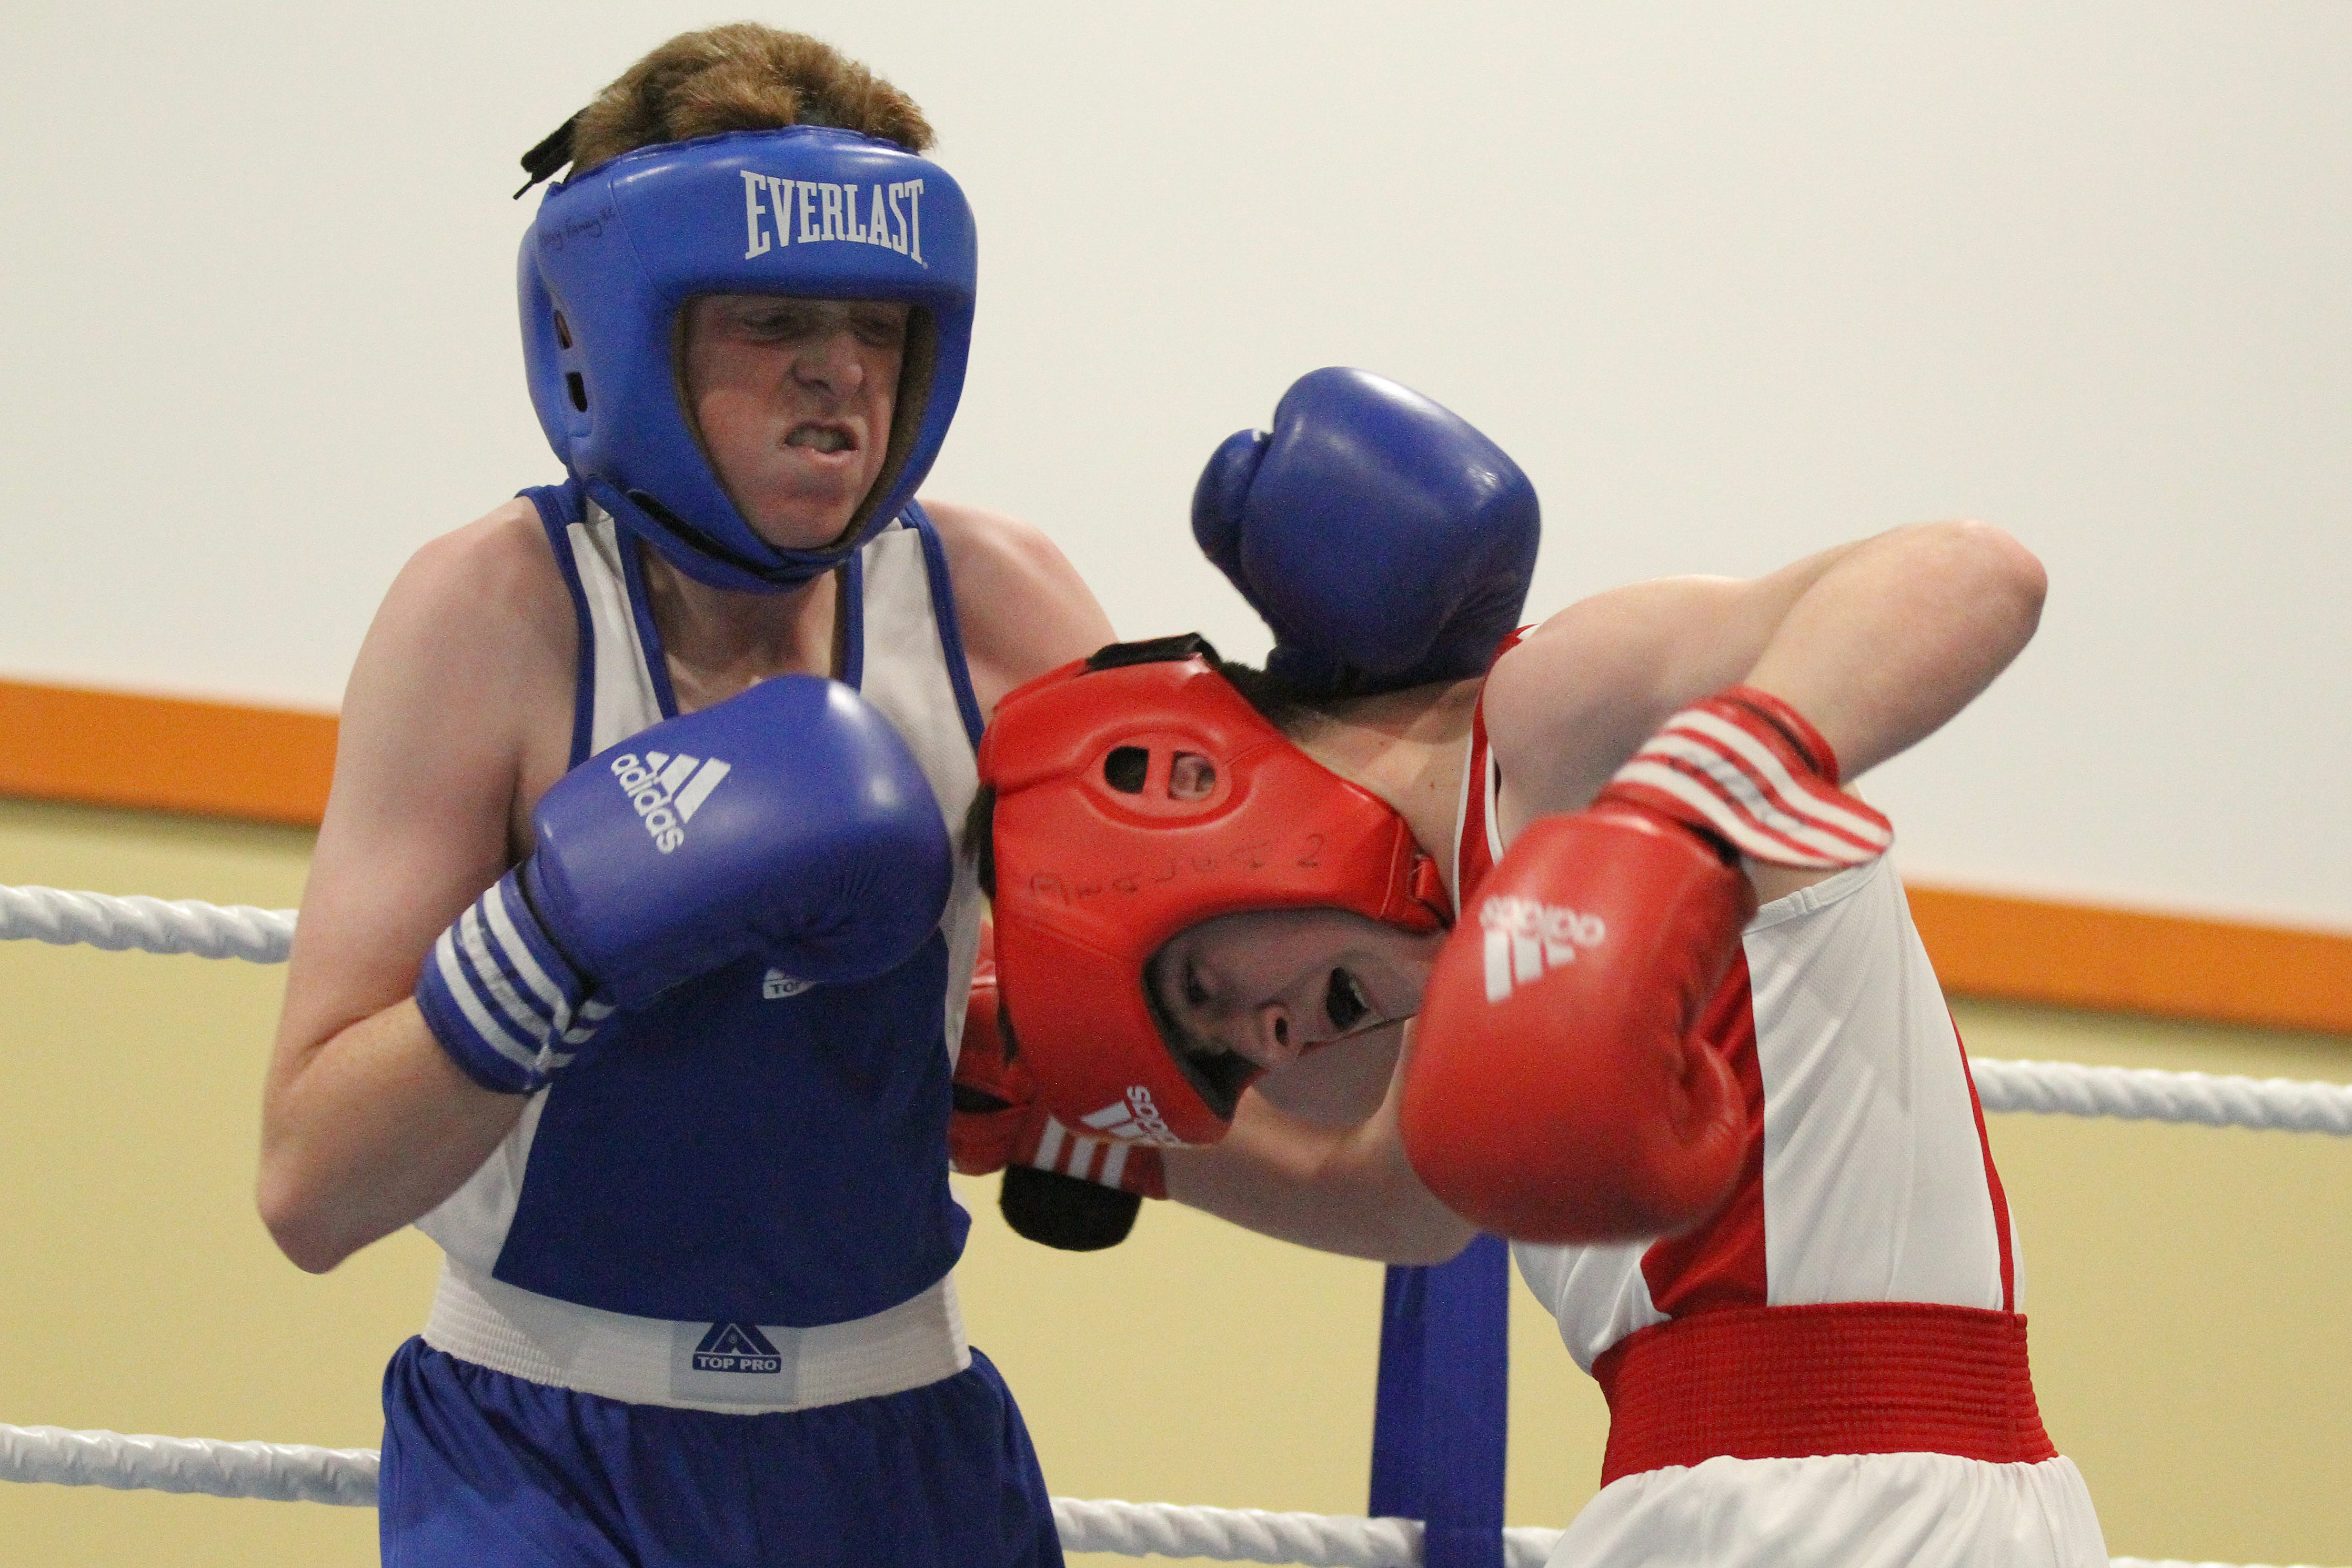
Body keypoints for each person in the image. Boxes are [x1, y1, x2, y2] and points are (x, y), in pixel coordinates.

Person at [960, 369, 2107, 1564]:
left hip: (1869, 1499)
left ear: (1193, 803)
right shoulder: (1468, 970)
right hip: (1723, 1506)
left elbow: (1979, 570)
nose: (1271, 1039)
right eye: (1226, 1061)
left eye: (1205, 995)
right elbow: (1394, 1198)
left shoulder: (1556, 723)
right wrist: (1062, 1125)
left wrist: (1683, 812)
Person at [257, 25, 1112, 1567]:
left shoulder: (1000, 612)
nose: (837, 371)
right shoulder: (491, 615)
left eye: (875, 323)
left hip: (902, 1441)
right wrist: (562, 934)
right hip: (539, 1445)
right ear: (614, 336)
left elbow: (1272, 1073)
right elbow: (309, 1185)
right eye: (773, 318)